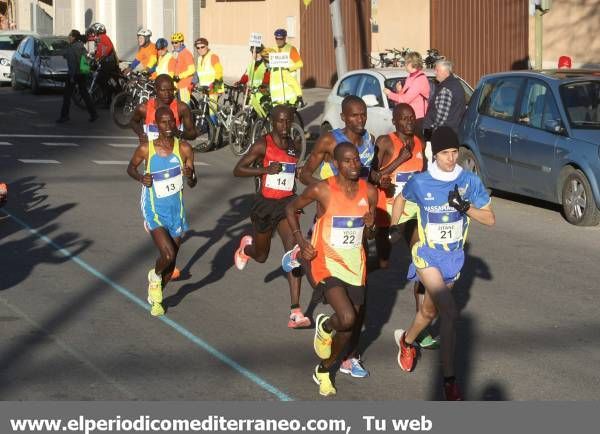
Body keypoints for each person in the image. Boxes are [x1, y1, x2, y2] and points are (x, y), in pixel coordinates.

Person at [392, 126, 495, 400]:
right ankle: (450, 382)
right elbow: (400, 198)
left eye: (454, 152)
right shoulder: (422, 181)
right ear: (434, 154)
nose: (451, 158)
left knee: (428, 313)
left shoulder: (469, 181)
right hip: (426, 254)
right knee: (449, 311)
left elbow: (490, 219)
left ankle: (406, 340)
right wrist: (393, 225)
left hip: (453, 259)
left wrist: (465, 208)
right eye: (445, 153)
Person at [285, 143, 378, 396]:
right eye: (347, 161)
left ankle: (324, 369)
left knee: (348, 329)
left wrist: (371, 226)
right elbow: (290, 208)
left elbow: (368, 236)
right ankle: (326, 326)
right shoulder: (322, 189)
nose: (354, 165)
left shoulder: (369, 191)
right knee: (347, 318)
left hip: (355, 265)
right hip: (326, 262)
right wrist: (301, 241)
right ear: (336, 164)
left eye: (356, 160)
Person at [232, 105, 310, 328]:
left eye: (288, 121)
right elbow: (238, 169)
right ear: (272, 122)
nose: (285, 126)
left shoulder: (294, 147)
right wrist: (265, 171)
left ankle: (295, 311)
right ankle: (246, 249)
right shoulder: (262, 144)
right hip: (265, 205)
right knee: (262, 255)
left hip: (286, 205)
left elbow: (290, 174)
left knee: (294, 253)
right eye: (280, 121)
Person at [373, 103, 439, 349]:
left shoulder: (420, 143)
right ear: (395, 120)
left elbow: (420, 179)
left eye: (411, 117)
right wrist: (398, 162)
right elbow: (372, 175)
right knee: (382, 262)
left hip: (412, 214)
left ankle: (420, 327)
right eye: (403, 118)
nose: (409, 122)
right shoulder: (386, 142)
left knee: (424, 263)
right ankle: (343, 282)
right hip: (387, 214)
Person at [126, 106, 197, 317]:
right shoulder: (146, 149)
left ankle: (156, 296)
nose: (169, 126)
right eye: (164, 123)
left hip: (176, 210)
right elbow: (130, 168)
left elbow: (193, 182)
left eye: (172, 122)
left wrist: (190, 174)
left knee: (172, 260)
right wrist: (141, 177)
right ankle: (155, 277)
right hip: (154, 208)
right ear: (156, 125)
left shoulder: (184, 148)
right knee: (167, 254)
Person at [383, 52, 429, 141]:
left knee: (418, 144)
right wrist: (399, 90)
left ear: (411, 63)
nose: (404, 65)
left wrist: (390, 94)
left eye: (405, 63)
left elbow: (405, 100)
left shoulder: (419, 79)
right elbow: (404, 98)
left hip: (418, 118)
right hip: (410, 117)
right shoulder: (411, 77)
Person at [56, 29, 98, 124]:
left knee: (67, 96)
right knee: (84, 94)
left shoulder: (72, 48)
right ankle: (93, 113)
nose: (68, 37)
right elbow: (85, 59)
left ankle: (64, 116)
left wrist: (71, 76)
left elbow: (72, 64)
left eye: (70, 36)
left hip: (74, 74)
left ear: (74, 37)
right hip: (83, 73)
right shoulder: (81, 46)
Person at [423, 59, 465, 140]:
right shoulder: (456, 83)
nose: (435, 73)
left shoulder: (446, 89)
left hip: (442, 133)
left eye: (437, 70)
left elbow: (441, 116)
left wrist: (431, 129)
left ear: (446, 72)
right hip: (452, 131)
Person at [269, 28, 303, 106]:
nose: (278, 41)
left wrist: (289, 68)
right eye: (277, 39)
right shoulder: (272, 50)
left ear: (285, 38)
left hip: (288, 90)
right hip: (276, 92)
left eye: (281, 39)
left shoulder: (291, 49)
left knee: (288, 115)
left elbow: (300, 63)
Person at [236, 45, 270, 119]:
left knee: (262, 117)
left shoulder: (265, 65)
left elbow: (268, 77)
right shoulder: (251, 64)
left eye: (256, 52)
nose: (254, 54)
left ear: (261, 53)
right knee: (250, 116)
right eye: (252, 52)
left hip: (262, 95)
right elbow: (246, 75)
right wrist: (240, 82)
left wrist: (264, 86)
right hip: (251, 94)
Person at [87, 22, 119, 101]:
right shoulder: (100, 38)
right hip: (107, 62)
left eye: (93, 31)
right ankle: (107, 98)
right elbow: (99, 50)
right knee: (105, 80)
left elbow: (106, 49)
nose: (93, 33)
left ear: (98, 31)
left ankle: (108, 99)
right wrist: (96, 57)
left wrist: (99, 58)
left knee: (102, 80)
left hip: (108, 63)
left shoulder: (103, 37)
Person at [194, 37, 224, 121]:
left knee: (212, 111)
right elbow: (199, 73)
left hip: (214, 87)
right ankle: (210, 127)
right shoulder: (199, 58)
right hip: (204, 87)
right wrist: (193, 83)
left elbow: (219, 72)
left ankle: (215, 129)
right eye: (198, 48)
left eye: (202, 47)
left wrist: (214, 84)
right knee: (204, 109)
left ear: (207, 46)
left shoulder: (213, 56)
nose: (200, 49)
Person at [171, 32, 196, 104]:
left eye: (176, 42)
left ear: (181, 42)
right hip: (177, 83)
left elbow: (192, 70)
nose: (174, 45)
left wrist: (179, 76)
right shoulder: (176, 53)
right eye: (172, 42)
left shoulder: (186, 53)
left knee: (185, 105)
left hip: (185, 83)